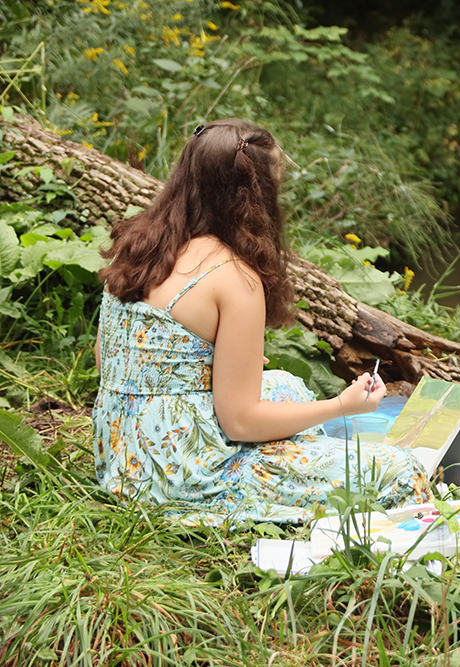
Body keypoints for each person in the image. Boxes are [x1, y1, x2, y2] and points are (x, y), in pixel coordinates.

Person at [92, 118, 430, 526]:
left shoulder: (141, 244)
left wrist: (205, 367)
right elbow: (239, 421)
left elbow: (110, 360)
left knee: (287, 386)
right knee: (398, 468)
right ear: (254, 196)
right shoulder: (232, 275)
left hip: (122, 454)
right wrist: (342, 406)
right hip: (180, 475)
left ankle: (297, 462)